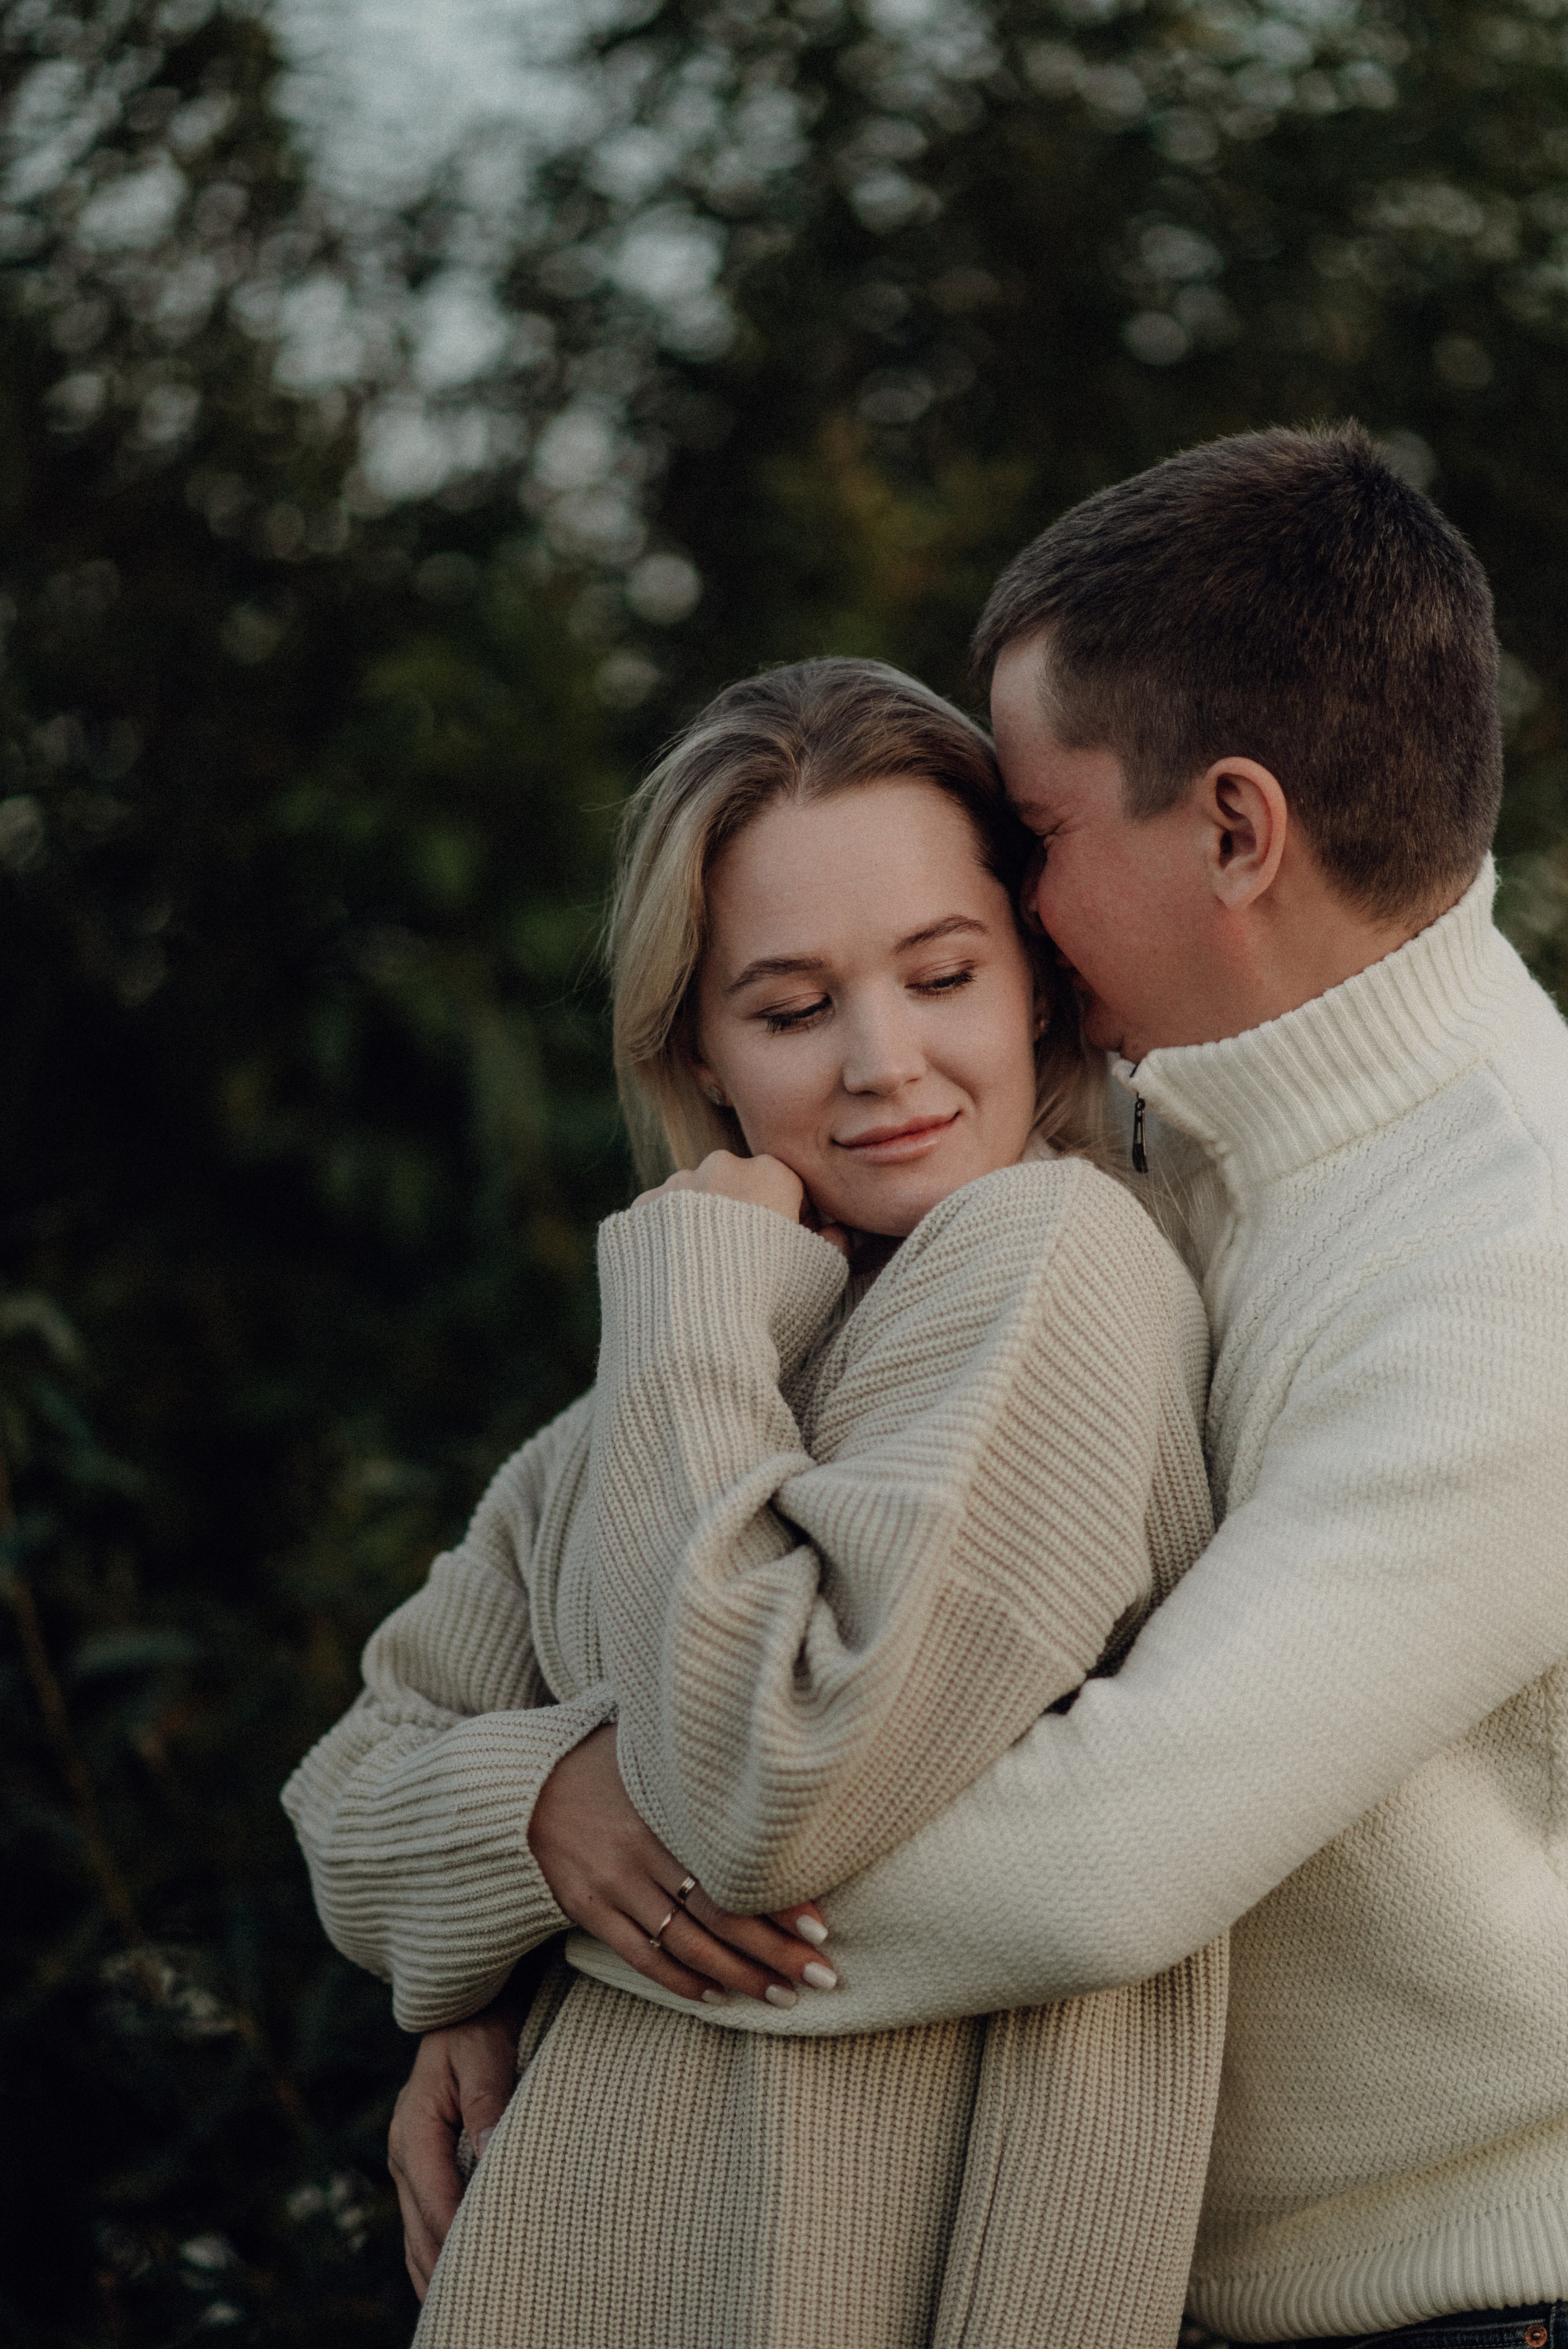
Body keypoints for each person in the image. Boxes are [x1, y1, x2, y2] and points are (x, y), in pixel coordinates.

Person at [390, 422, 1568, 2349]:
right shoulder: (1161, 1135)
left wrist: (553, 1932)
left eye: (1035, 835)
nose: (1005, 909)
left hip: (1445, 2307)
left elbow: (1100, 1856)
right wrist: (516, 1827)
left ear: (1237, 832)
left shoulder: (1513, 1267)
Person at [284, 659, 1227, 2348]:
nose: (884, 1062)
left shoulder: (1049, 1261)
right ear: (700, 1051)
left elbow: (767, 1781)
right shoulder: (674, 1378)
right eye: (790, 1008)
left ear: (1033, 982)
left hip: (854, 2280)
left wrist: (700, 1282)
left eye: (942, 973)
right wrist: (542, 1815)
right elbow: (349, 1795)